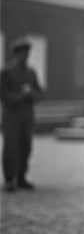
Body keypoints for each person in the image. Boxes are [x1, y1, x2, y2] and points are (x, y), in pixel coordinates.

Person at [1, 37, 42, 192]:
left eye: (27, 53)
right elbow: (3, 95)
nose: (25, 56)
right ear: (16, 54)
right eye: (22, 53)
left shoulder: (31, 72)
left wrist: (31, 93)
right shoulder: (7, 71)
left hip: (27, 116)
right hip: (11, 117)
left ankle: (21, 176)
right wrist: (21, 95)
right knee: (11, 147)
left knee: (26, 146)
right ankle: (9, 179)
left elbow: (40, 92)